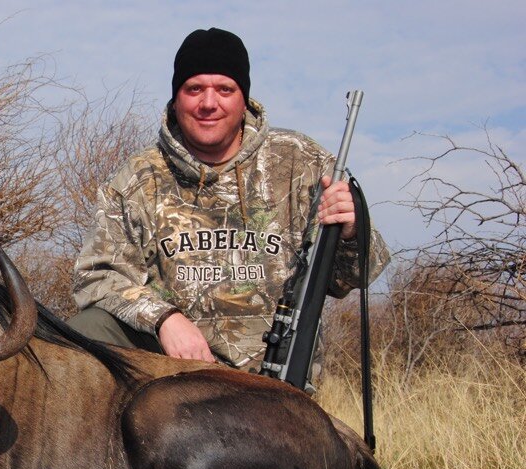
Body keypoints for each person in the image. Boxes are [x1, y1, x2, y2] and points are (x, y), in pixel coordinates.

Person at [70, 28, 389, 370]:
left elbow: (353, 277)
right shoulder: (136, 177)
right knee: (81, 332)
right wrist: (164, 319)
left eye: (224, 89)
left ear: (244, 99)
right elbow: (97, 277)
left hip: (270, 379)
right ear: (176, 99)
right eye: (194, 89)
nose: (209, 103)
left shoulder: (302, 162)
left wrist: (353, 230)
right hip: (168, 377)